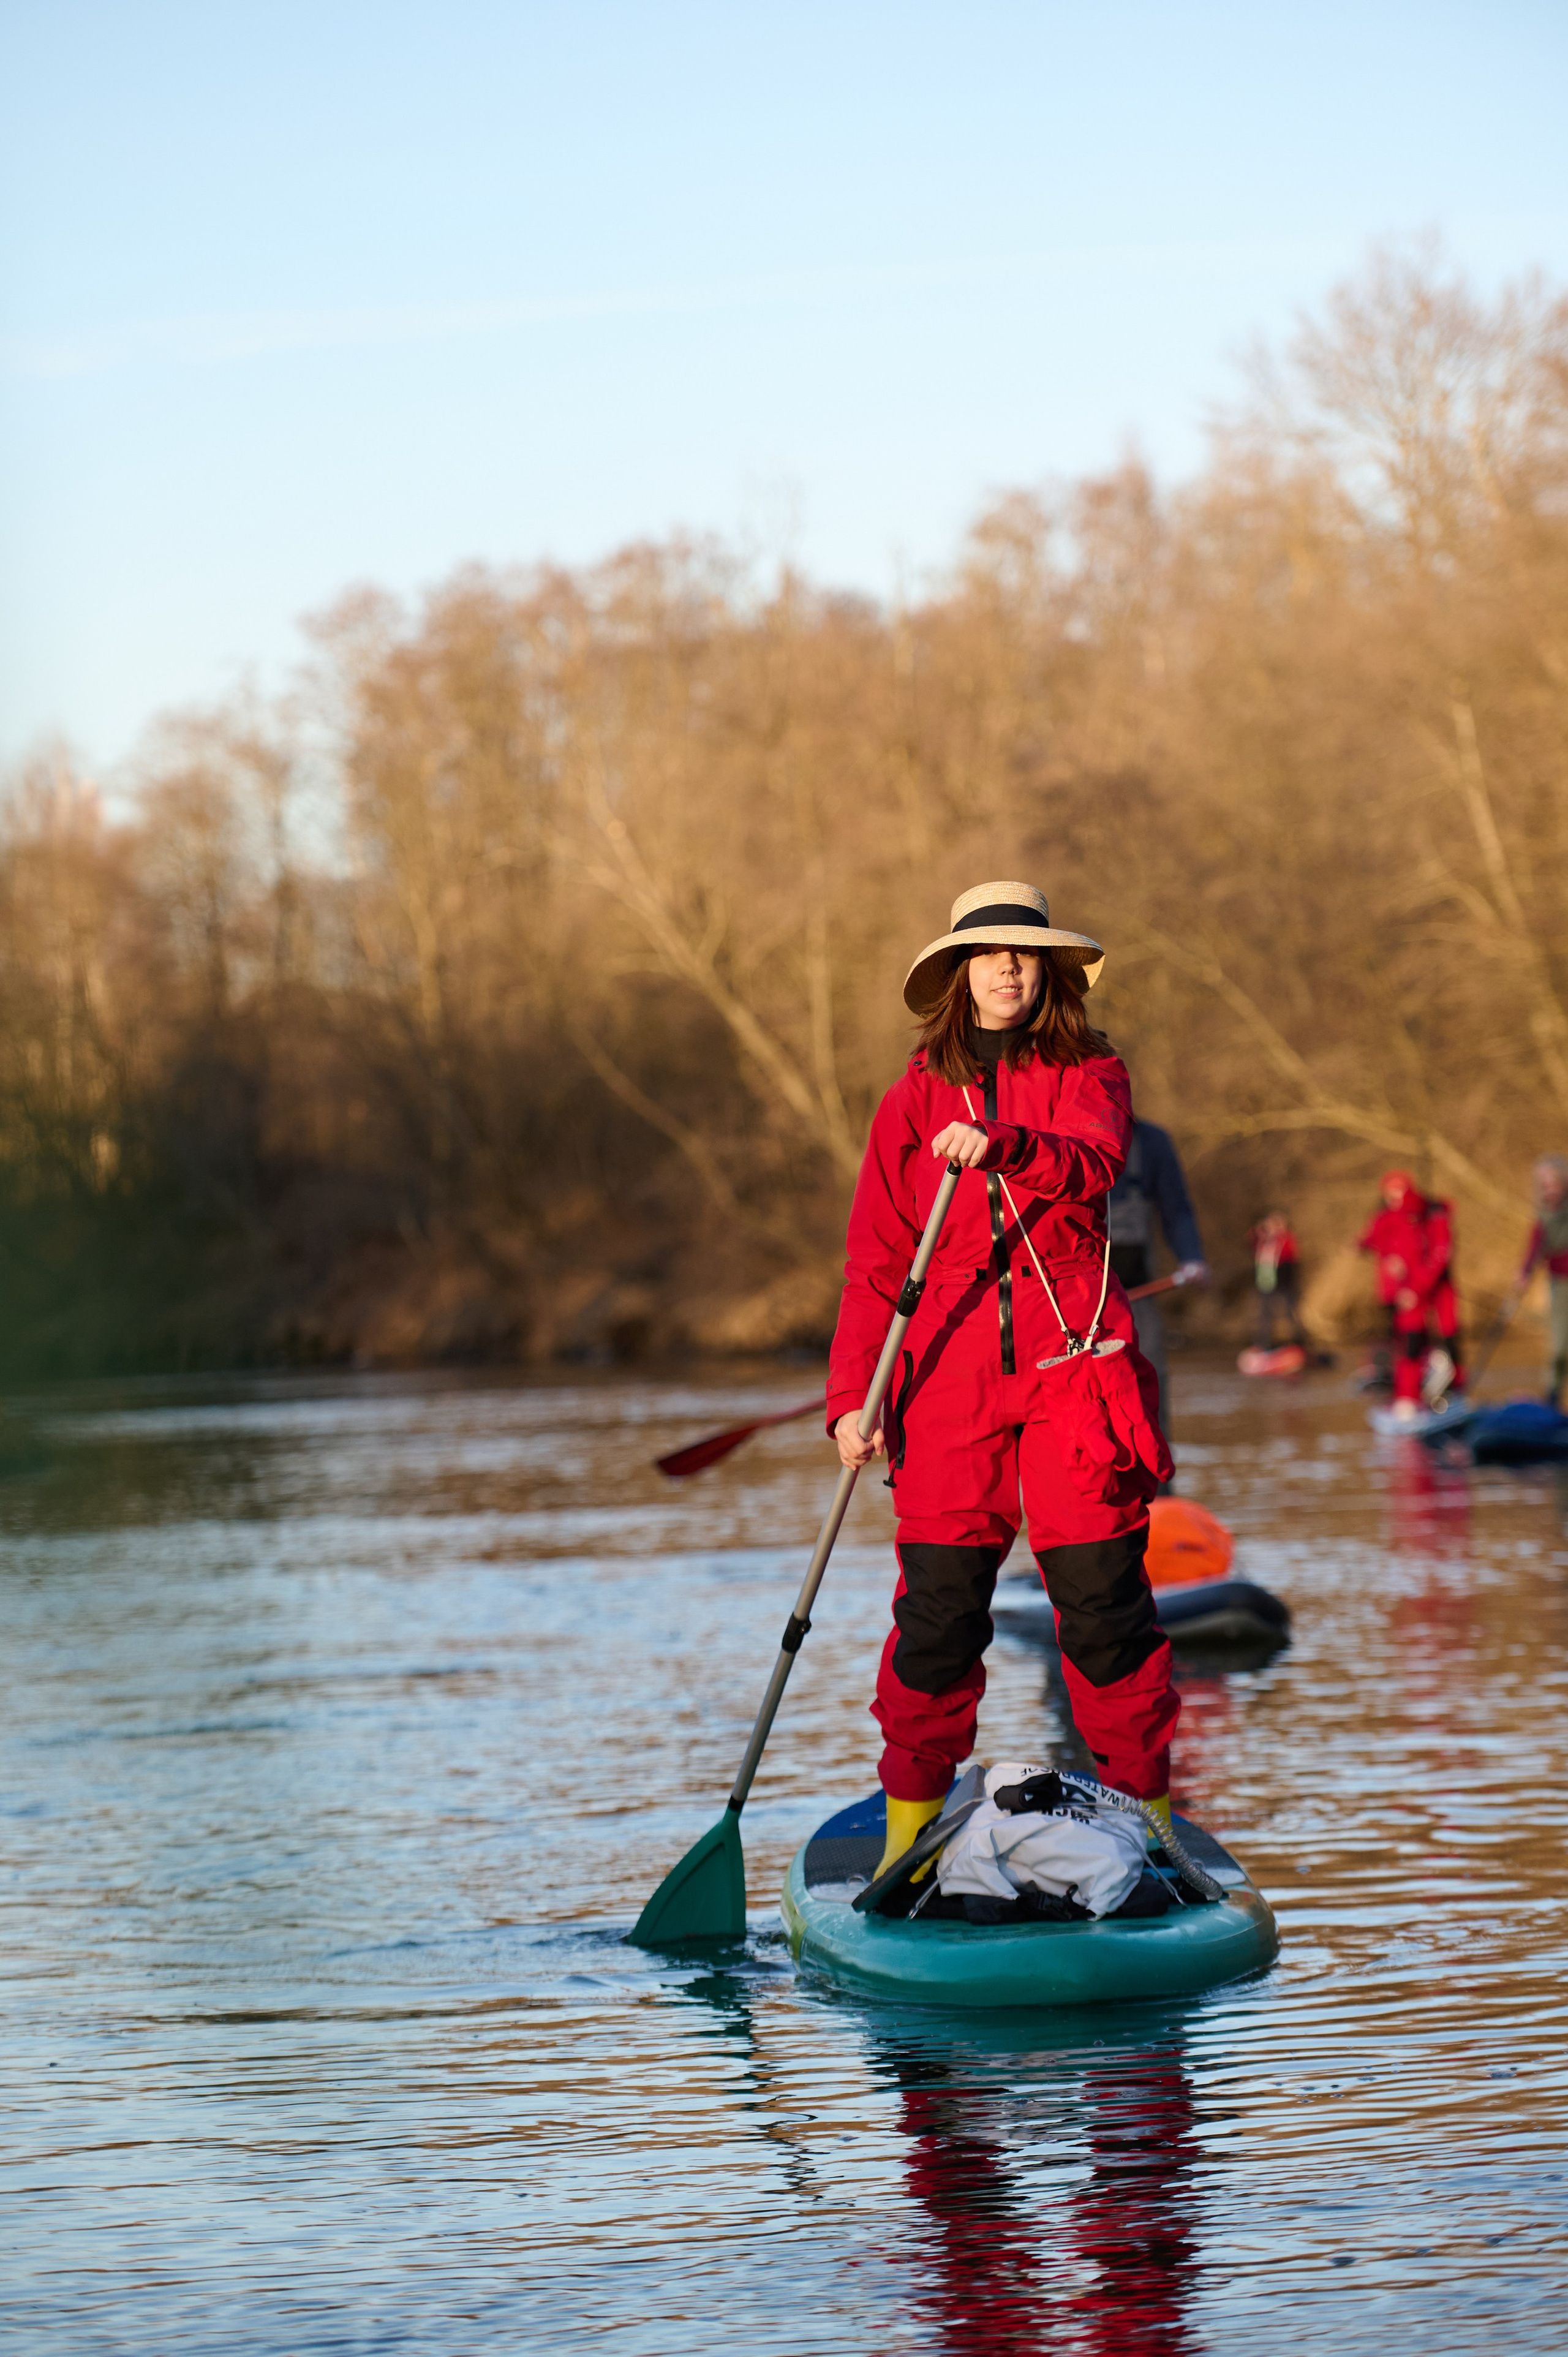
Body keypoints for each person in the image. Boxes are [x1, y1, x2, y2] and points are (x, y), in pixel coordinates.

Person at [827, 880, 1178, 1875]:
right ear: (959, 973)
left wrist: (1006, 1146)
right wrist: (853, 1399)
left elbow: (1093, 1161)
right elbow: (874, 1265)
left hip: (1078, 1373)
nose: (1009, 967)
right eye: (988, 953)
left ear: (1049, 969)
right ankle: (907, 1843)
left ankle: (1153, 1828)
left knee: (1108, 1614)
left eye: (1026, 951)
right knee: (937, 1621)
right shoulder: (910, 1101)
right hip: (947, 1384)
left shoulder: (1091, 1070)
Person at [1106, 1117, 1210, 1435]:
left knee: (1150, 1385)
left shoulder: (1152, 1141)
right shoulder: (1056, 1133)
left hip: (1139, 1296)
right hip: (1070, 1301)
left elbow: (1177, 1208)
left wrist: (1191, 1257)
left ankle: (1160, 1466)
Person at [1357, 1171, 1464, 1419]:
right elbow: (1374, 1239)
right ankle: (1409, 1397)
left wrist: (1416, 1288)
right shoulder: (1389, 1217)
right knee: (1410, 1343)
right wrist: (1386, 1257)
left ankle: (1454, 1393)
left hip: (1426, 1288)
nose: (1393, 1198)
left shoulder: (1432, 1215)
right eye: (1389, 1193)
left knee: (1448, 1338)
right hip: (1407, 1292)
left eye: (1397, 1192)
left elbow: (1440, 1254)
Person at [1518, 1154, 1568, 1407]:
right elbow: (1536, 1245)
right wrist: (1525, 1273)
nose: (1550, 1190)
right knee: (1559, 1347)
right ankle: (1552, 1399)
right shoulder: (1544, 1214)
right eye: (1545, 1185)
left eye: (1554, 1184)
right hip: (1559, 1284)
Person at [1249, 1210, 1306, 1351]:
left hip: (1285, 1279)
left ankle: (1298, 1342)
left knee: (1290, 1311)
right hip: (1266, 1280)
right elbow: (1251, 1239)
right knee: (1265, 1312)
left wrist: (1279, 1235)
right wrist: (1261, 1231)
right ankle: (1263, 1343)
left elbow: (1291, 1254)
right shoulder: (1263, 1240)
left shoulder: (1286, 1239)